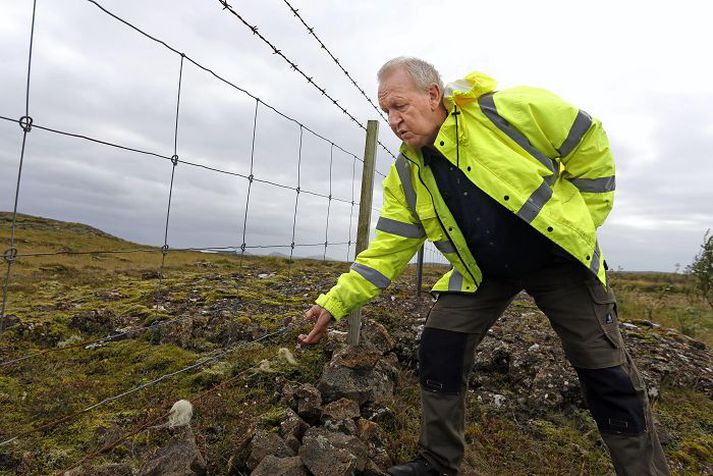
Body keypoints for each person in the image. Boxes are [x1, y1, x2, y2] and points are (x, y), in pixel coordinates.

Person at [298, 57, 670, 476]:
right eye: (387, 112)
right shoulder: (406, 173)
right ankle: (438, 462)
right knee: (440, 345)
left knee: (605, 369)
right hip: (482, 272)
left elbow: (588, 138)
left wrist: (582, 220)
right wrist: (335, 302)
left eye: (400, 106)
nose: (394, 120)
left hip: (558, 262)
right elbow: (385, 252)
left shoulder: (507, 111)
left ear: (433, 95)